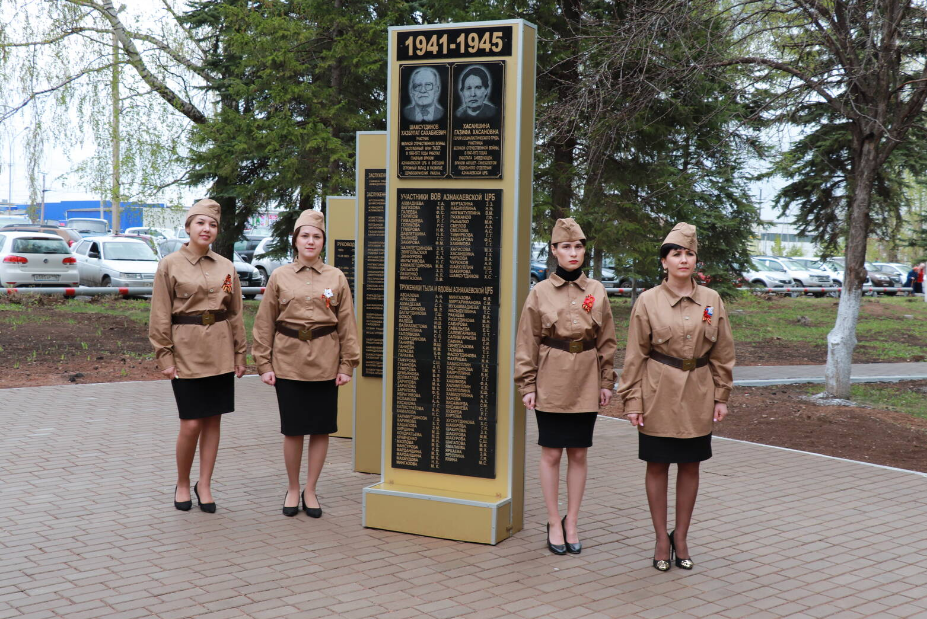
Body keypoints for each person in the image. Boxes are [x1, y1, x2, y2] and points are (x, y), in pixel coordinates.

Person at [616, 223, 735, 571]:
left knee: (690, 465)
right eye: (676, 254)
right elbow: (635, 355)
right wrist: (632, 401)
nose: (683, 259)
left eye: (689, 253)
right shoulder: (648, 301)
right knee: (657, 465)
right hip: (657, 392)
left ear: (696, 260)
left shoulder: (711, 301)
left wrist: (721, 396)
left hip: (698, 391)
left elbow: (723, 352)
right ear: (664, 261)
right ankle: (659, 537)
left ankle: (680, 536)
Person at [514, 218, 617, 555]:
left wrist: (606, 381)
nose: (573, 253)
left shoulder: (597, 290)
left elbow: (607, 340)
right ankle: (553, 521)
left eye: (578, 246)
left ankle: (572, 520)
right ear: (554, 251)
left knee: (579, 452)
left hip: (586, 376)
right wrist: (527, 384)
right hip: (551, 376)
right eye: (566, 247)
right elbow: (527, 341)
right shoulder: (540, 292)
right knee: (551, 452)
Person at [252, 210, 360, 518]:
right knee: (293, 429)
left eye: (316, 236)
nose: (310, 241)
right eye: (305, 236)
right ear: (295, 240)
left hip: (325, 362)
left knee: (320, 429)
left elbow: (347, 324)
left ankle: (311, 490)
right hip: (288, 361)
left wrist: (347, 365)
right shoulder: (280, 276)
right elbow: (264, 322)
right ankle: (293, 488)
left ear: (323, 241)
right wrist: (264, 363)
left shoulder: (336, 277)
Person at [149, 198, 247, 513]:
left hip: (220, 350)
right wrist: (165, 357)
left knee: (213, 421)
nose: (207, 229)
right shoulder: (170, 264)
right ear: (188, 226)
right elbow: (160, 315)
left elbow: (235, 313)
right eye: (201, 223)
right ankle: (182, 482)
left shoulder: (226, 266)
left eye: (213, 224)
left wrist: (240, 354)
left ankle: (204, 484)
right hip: (186, 352)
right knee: (191, 424)